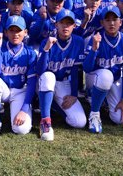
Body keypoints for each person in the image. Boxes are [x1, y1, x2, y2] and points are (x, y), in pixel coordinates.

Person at [83, 6, 123, 133]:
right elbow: (87, 68)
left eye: (115, 19)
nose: (111, 23)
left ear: (120, 22)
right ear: (102, 23)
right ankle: (94, 114)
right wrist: (94, 49)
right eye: (107, 20)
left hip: (113, 80)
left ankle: (104, 100)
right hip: (94, 78)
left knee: (121, 119)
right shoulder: (96, 38)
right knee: (106, 75)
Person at [36, 9, 87, 140]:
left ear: (74, 26)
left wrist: (74, 95)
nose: (65, 26)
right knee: (48, 76)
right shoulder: (48, 41)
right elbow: (40, 71)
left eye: (69, 23)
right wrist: (46, 49)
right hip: (43, 83)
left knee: (79, 122)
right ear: (56, 25)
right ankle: (45, 121)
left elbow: (75, 70)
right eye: (62, 23)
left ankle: (53, 105)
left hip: (63, 82)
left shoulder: (78, 41)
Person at [0, 15, 37, 141]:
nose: (15, 34)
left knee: (21, 129)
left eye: (18, 30)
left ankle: (19, 110)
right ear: (6, 32)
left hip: (20, 91)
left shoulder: (30, 53)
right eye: (11, 30)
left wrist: (24, 109)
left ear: (25, 32)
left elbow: (31, 83)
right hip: (3, 90)